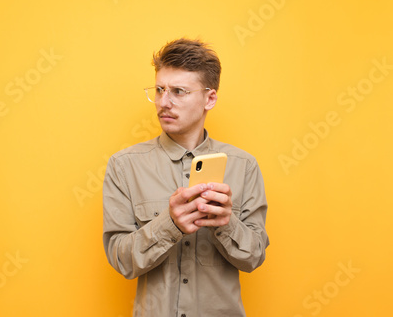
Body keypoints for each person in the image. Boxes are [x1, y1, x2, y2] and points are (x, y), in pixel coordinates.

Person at [103, 38, 269, 317]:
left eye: (178, 91)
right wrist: (170, 224)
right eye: (159, 90)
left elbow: (254, 258)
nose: (164, 102)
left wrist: (226, 224)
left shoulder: (245, 166)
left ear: (210, 98)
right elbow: (121, 261)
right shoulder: (124, 166)